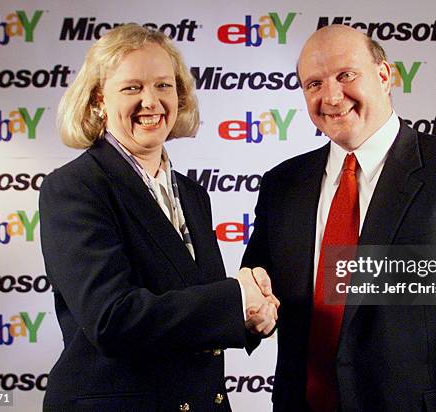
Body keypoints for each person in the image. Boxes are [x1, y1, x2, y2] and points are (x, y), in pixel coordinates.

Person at [242, 25, 436, 411]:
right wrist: (251, 314)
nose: (331, 96)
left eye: (346, 75)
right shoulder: (281, 185)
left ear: (385, 76)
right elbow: (260, 294)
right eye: (313, 83)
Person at [39, 24, 277, 411]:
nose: (151, 101)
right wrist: (234, 300)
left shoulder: (193, 194)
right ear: (99, 100)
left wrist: (252, 317)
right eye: (132, 87)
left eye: (164, 86)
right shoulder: (74, 187)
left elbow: (192, 304)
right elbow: (112, 319)